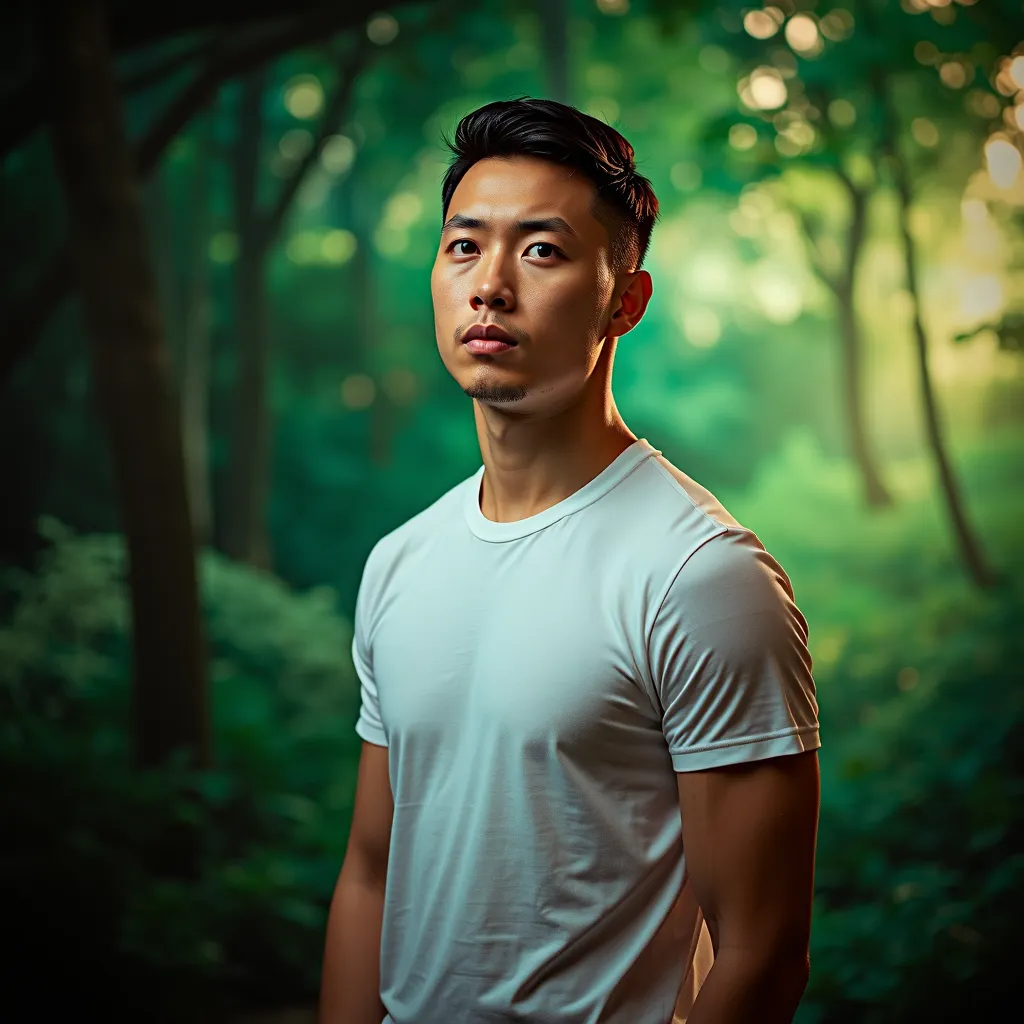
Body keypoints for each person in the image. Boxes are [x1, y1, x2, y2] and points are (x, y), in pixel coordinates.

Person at [318, 98, 820, 1024]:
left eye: (541, 250)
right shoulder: (401, 561)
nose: (490, 286)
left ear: (624, 300)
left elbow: (760, 951)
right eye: (464, 245)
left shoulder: (703, 579)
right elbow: (371, 871)